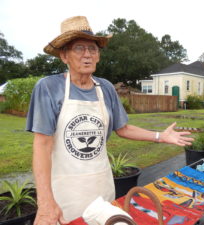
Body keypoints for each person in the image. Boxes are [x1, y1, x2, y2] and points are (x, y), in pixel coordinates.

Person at [26, 16, 193, 225]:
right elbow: (41, 145)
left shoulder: (105, 88)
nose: (87, 54)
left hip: (101, 186)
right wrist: (45, 202)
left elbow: (123, 128)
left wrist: (161, 136)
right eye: (79, 48)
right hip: (65, 192)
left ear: (98, 55)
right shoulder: (49, 88)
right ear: (64, 55)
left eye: (93, 49)